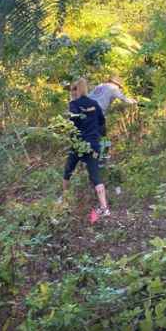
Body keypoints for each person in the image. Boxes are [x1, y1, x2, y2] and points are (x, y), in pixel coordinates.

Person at [62, 77, 111, 222]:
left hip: (79, 145)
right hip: (93, 145)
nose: (71, 92)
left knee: (68, 171)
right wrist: (98, 136)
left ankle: (65, 201)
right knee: (95, 175)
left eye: (73, 89)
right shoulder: (94, 104)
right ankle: (104, 208)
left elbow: (72, 123)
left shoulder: (74, 104)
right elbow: (102, 123)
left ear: (77, 90)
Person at [88, 74, 137, 161]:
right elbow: (124, 99)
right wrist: (135, 102)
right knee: (103, 138)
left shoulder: (100, 86)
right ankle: (102, 159)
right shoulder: (114, 88)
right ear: (118, 84)